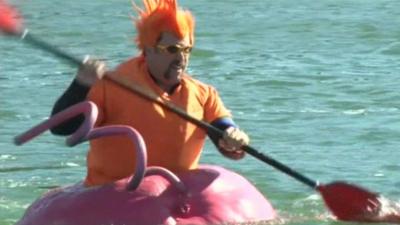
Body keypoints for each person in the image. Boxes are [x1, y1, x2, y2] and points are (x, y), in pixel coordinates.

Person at [50, 0, 250, 187]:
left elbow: (222, 129)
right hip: (112, 196)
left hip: (174, 196)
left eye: (187, 49)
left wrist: (233, 137)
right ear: (148, 49)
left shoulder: (203, 94)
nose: (182, 58)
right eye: (172, 49)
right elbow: (60, 128)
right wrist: (80, 85)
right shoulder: (112, 85)